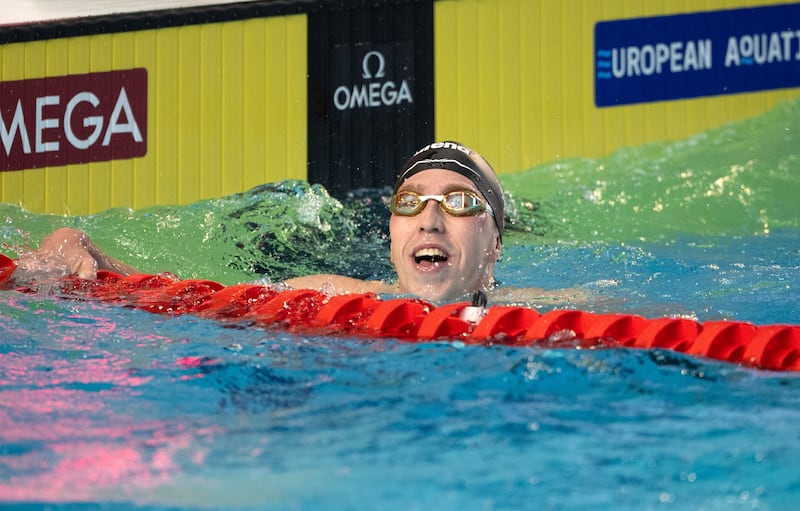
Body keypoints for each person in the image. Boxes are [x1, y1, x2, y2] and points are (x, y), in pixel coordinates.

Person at [11, 141, 577, 304]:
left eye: (458, 202)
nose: (429, 218)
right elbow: (183, 297)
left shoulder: (552, 309)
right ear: (391, 234)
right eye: (410, 202)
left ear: (495, 245)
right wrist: (75, 246)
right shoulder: (329, 295)